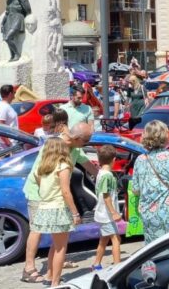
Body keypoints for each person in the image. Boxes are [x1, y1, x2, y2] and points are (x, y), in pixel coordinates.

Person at [21, 122, 95, 283]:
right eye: (86, 141)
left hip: (54, 197)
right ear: (76, 138)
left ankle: (52, 271)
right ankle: (29, 268)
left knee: (57, 241)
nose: (86, 144)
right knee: (37, 230)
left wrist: (102, 176)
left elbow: (88, 165)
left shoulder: (75, 149)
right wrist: (47, 194)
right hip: (39, 195)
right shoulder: (53, 146)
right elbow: (38, 174)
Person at [30, 138, 80, 286]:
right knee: (61, 248)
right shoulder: (63, 166)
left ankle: (50, 276)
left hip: (45, 208)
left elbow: (41, 187)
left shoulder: (41, 167)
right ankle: (56, 283)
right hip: (58, 208)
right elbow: (65, 191)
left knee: (55, 245)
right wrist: (75, 213)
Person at [91, 145, 122, 270]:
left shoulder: (101, 173)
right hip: (106, 215)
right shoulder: (107, 176)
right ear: (114, 159)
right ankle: (117, 267)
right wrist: (114, 212)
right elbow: (106, 196)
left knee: (104, 239)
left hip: (103, 213)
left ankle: (96, 263)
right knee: (116, 239)